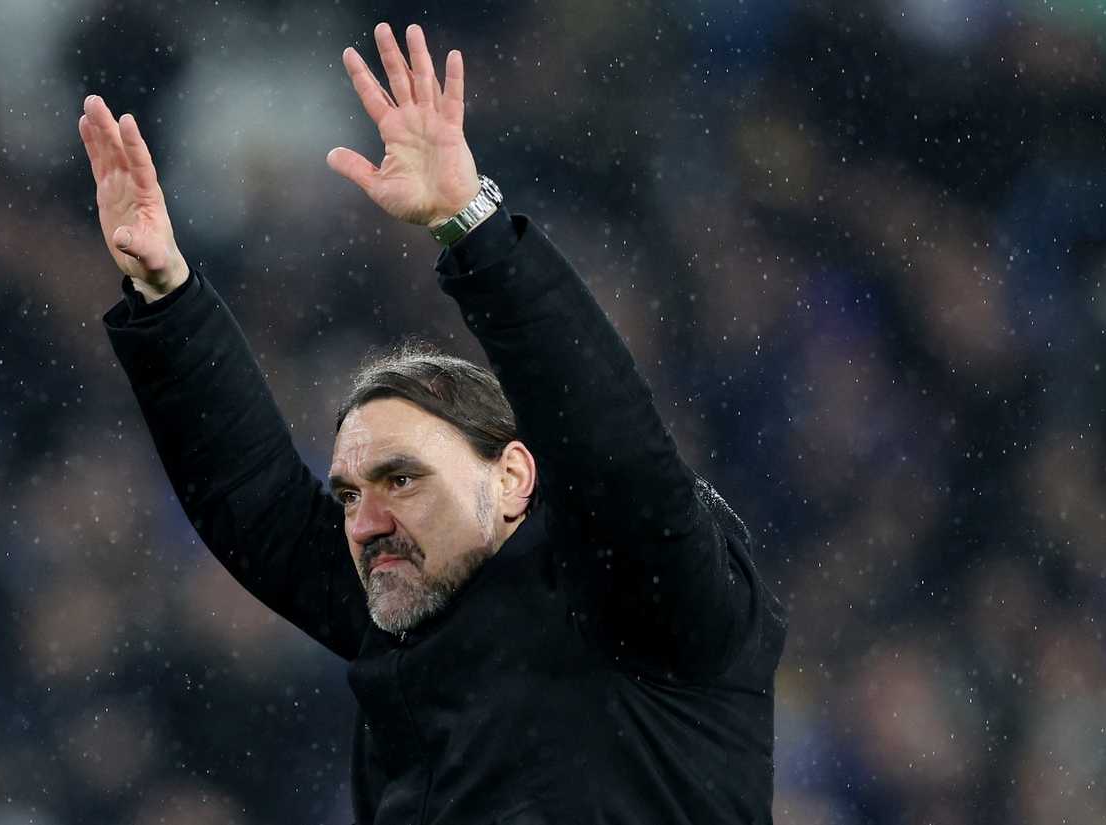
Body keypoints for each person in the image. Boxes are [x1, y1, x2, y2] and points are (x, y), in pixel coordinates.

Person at [80, 22, 787, 824]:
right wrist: (167, 295)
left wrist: (474, 227)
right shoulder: (408, 618)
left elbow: (614, 449)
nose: (367, 519)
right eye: (347, 494)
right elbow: (259, 503)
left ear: (514, 475)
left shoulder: (655, 605)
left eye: (401, 478)